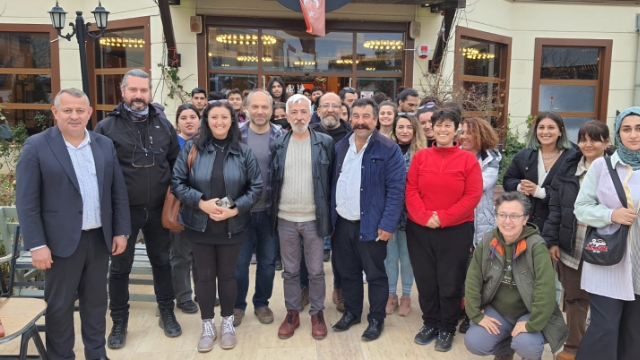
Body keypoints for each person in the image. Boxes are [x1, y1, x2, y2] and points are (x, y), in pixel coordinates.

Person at [16, 88, 130, 360]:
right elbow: (27, 202)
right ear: (55, 113)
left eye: (80, 110)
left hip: (98, 240)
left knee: (95, 304)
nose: (74, 116)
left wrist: (121, 231)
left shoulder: (103, 144)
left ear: (90, 113)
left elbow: (118, 193)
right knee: (60, 307)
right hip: (58, 244)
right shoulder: (37, 146)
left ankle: (96, 354)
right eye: (67, 110)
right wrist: (37, 244)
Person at [94, 69, 182, 349]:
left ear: (149, 92)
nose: (138, 96)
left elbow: (176, 162)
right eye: (133, 90)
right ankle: (119, 322)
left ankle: (166, 312)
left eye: (144, 90)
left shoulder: (163, 124)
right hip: (123, 213)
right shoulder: (106, 128)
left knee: (162, 263)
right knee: (120, 269)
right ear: (122, 91)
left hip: (158, 210)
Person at [171, 101, 262, 352]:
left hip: (232, 224)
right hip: (199, 224)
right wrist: (201, 204)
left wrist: (233, 209)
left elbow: (255, 187)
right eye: (214, 117)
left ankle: (228, 322)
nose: (219, 122)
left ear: (232, 120)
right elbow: (177, 182)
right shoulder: (192, 147)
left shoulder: (243, 151)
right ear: (206, 121)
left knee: (227, 276)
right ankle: (208, 325)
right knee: (205, 276)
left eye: (224, 117)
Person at [405, 107, 482, 352]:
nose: (442, 129)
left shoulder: (468, 159)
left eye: (448, 125)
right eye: (439, 125)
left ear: (457, 128)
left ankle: (447, 327)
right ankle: (430, 323)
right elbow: (411, 191)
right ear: (432, 128)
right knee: (426, 280)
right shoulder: (421, 157)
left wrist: (444, 218)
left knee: (450, 282)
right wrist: (425, 217)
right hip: (420, 230)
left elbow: (472, 196)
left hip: (456, 230)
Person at [331, 98, 406, 342]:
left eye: (366, 117)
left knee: (375, 275)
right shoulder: (341, 146)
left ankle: (376, 318)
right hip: (342, 224)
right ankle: (353, 312)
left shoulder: (388, 149)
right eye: (356, 116)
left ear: (375, 120)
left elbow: (396, 190)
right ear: (350, 118)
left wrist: (387, 224)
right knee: (348, 272)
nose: (360, 122)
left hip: (372, 226)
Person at [464, 192, 569, 360]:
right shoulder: (488, 241)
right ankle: (506, 350)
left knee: (527, 345)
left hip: (528, 312)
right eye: (502, 215)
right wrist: (476, 314)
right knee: (474, 342)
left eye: (514, 216)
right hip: (498, 312)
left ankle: (523, 347)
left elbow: (546, 291)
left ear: (525, 218)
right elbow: (473, 280)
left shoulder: (536, 246)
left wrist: (532, 323)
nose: (507, 221)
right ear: (496, 215)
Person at [573, 107, 640, 360]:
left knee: (634, 332)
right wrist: (611, 215)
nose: (633, 135)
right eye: (627, 129)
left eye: (639, 129)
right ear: (619, 134)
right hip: (608, 261)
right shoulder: (602, 166)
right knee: (605, 327)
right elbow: (581, 208)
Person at [542, 120, 610, 360]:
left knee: (605, 301)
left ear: (606, 142)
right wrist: (551, 241)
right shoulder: (568, 168)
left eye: (595, 139)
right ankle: (574, 347)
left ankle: (602, 348)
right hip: (572, 245)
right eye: (583, 139)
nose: (588, 144)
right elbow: (555, 208)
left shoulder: (615, 169)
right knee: (575, 298)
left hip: (605, 247)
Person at [270, 94, 334, 340]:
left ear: (311, 114)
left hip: (313, 218)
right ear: (286, 116)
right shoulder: (278, 144)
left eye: (303, 112)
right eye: (294, 112)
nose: (299, 117)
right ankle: (292, 312)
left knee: (317, 271)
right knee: (290, 271)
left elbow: (330, 182)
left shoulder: (325, 142)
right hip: (285, 218)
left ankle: (317, 313)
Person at [234, 90, 286, 327]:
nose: (260, 112)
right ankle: (237, 305)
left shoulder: (282, 137)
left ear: (272, 109)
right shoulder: (236, 135)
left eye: (265, 107)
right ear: (246, 109)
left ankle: (261, 303)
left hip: (270, 213)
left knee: (266, 263)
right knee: (239, 264)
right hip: (241, 213)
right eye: (255, 107)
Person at [309, 92, 353, 313]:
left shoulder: (352, 136)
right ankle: (305, 288)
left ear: (342, 110)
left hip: (342, 203)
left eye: (335, 106)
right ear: (317, 111)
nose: (330, 110)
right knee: (307, 246)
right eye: (325, 106)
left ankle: (340, 289)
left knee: (341, 251)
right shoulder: (308, 134)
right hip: (312, 200)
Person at [457, 116, 501, 332]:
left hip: (479, 224)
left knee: (473, 272)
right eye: (461, 132)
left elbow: (480, 185)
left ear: (480, 135)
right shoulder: (454, 155)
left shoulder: (491, 159)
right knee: (456, 270)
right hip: (457, 221)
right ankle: (457, 307)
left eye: (468, 132)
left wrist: (455, 179)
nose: (463, 136)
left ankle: (471, 313)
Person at [503, 112, 576, 232]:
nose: (545, 132)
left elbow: (569, 192)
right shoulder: (525, 155)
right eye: (541, 127)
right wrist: (520, 186)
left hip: (557, 226)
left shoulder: (571, 158)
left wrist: (539, 192)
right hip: (525, 223)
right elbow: (508, 180)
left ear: (560, 131)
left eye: (551, 127)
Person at [385, 114, 426, 317]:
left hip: (413, 214)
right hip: (391, 212)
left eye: (409, 127)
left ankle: (406, 296)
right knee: (390, 257)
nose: (404, 131)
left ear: (415, 130)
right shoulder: (387, 150)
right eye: (400, 127)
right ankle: (391, 294)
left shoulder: (422, 154)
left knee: (408, 257)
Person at [171, 104, 201, 315]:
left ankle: (203, 291)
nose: (189, 120)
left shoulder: (206, 143)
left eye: (193, 116)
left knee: (201, 254)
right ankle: (183, 296)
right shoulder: (172, 144)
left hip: (202, 207)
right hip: (179, 205)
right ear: (177, 122)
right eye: (184, 117)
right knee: (181, 255)